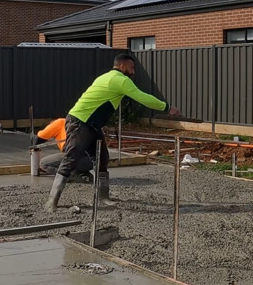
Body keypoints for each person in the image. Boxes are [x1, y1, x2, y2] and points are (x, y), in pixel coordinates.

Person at [45, 52, 179, 212]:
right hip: (81, 123)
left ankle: (102, 198)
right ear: (122, 66)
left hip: (91, 124)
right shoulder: (120, 80)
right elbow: (142, 97)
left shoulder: (106, 77)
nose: (133, 71)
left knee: (102, 158)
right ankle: (51, 202)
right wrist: (166, 107)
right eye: (131, 67)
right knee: (71, 158)